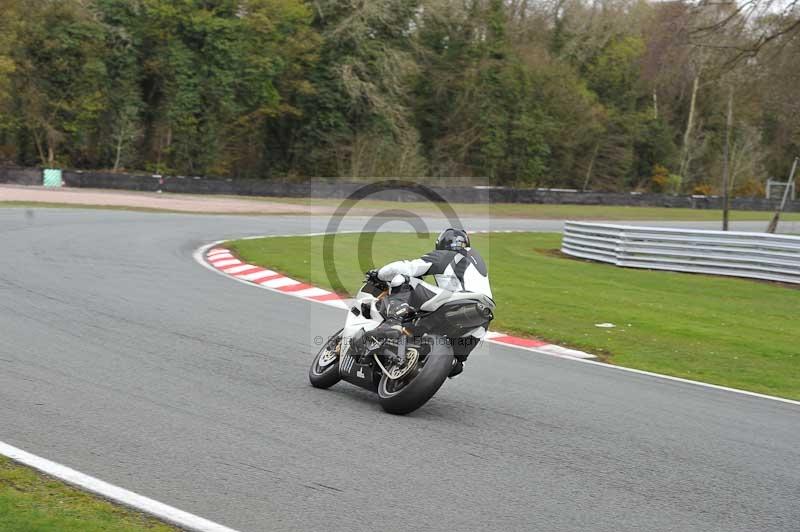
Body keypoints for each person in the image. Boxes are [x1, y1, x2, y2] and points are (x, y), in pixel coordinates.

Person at [367, 228, 493, 378]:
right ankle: (454, 361)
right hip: (483, 316)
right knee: (456, 365)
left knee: (402, 278)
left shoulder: (448, 255)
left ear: (441, 244)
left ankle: (393, 322)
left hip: (460, 300)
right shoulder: (476, 260)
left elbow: (407, 267)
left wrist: (379, 274)